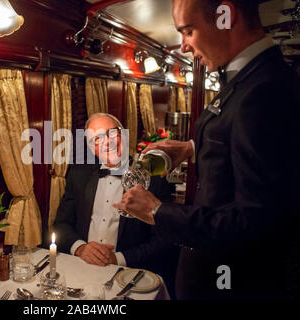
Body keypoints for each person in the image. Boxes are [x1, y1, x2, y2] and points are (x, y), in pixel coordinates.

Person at [114, 0, 300, 299]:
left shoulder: (265, 91)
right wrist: (191, 147)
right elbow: (242, 138)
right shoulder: (247, 76)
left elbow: (254, 222)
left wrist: (157, 211)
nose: (184, 47)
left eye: (188, 31)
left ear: (226, 16)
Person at [51, 113, 179, 295]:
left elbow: (164, 239)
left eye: (111, 133)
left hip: (129, 275)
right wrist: (80, 248)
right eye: (96, 139)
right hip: (82, 270)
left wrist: (118, 259)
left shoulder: (154, 177)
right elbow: (61, 225)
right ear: (91, 148)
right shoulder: (78, 175)